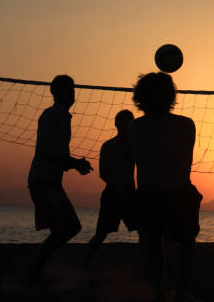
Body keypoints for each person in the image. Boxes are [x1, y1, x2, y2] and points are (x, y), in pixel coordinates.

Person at [129, 73, 202, 300]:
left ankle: (158, 291)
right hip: (178, 192)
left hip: (150, 193)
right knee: (186, 243)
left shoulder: (134, 128)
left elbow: (138, 158)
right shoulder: (185, 125)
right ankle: (180, 290)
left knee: (153, 244)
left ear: (140, 97)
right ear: (170, 95)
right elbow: (184, 160)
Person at [27, 75, 93, 282]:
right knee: (62, 229)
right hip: (42, 180)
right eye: (68, 89)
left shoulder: (63, 117)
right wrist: (75, 164)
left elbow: (59, 158)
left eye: (73, 88)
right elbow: (48, 151)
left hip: (51, 181)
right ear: (55, 93)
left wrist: (75, 165)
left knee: (72, 227)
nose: (72, 92)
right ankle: (34, 273)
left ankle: (37, 270)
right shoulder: (51, 116)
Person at [86, 110, 138, 263]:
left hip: (130, 194)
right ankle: (85, 264)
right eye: (123, 120)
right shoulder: (108, 146)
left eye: (129, 121)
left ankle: (147, 266)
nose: (126, 124)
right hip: (113, 195)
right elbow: (103, 173)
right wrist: (119, 187)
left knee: (144, 231)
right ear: (116, 123)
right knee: (100, 234)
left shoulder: (135, 146)